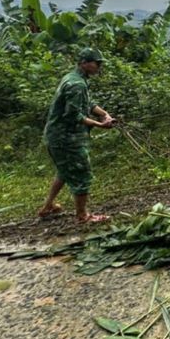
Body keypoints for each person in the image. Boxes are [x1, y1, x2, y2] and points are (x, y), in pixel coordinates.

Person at [37, 48, 115, 223]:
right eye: (97, 63)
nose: (99, 67)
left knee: (64, 171)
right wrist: (100, 125)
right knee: (81, 172)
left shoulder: (74, 78)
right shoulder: (77, 84)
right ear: (85, 63)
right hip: (66, 138)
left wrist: (104, 114)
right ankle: (83, 216)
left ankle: (48, 206)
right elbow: (73, 115)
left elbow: (88, 103)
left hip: (56, 136)